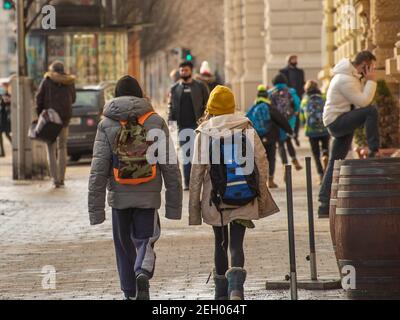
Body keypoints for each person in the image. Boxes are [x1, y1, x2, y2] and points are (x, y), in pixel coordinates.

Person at [88, 75, 183, 300]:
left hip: (119, 198)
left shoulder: (106, 124)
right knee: (145, 239)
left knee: (123, 247)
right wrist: (174, 206)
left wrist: (96, 210)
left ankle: (130, 293)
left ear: (115, 95)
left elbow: (98, 169)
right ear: (141, 94)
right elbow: (170, 165)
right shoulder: (154, 121)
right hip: (148, 196)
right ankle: (142, 270)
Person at [189, 85, 280, 300]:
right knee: (236, 243)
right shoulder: (246, 126)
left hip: (216, 200)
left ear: (210, 109)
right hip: (244, 196)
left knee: (220, 242)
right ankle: (236, 289)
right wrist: (261, 195)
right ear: (232, 106)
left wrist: (194, 208)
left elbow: (196, 173)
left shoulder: (204, 131)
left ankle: (220, 294)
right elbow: (261, 161)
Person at [318, 51, 379, 218]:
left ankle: (323, 204)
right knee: (371, 111)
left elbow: (359, 106)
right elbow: (364, 103)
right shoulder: (345, 79)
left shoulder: (350, 77)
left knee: (335, 161)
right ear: (364, 65)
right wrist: (371, 81)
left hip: (340, 120)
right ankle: (374, 150)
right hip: (337, 122)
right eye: (371, 67)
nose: (373, 70)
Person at [168, 60, 210, 190]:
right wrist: (171, 122)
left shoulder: (200, 86)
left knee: (198, 156)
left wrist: (206, 120)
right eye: (181, 70)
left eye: (186, 70)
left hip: (198, 126)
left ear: (191, 71)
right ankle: (188, 182)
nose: (183, 72)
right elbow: (171, 106)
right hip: (182, 128)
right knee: (186, 156)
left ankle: (200, 182)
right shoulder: (175, 88)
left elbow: (207, 104)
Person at [35, 61, 76, 188]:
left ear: (52, 69)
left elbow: (39, 98)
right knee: (62, 148)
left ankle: (55, 179)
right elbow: (73, 99)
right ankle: (62, 178)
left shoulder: (47, 80)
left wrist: (40, 113)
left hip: (50, 120)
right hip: (64, 120)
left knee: (50, 147)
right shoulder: (69, 81)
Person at [247, 85, 293, 189]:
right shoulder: (269, 107)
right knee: (271, 158)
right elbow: (281, 119)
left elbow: (246, 120)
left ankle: (260, 180)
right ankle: (270, 180)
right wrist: (289, 131)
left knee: (258, 158)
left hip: (257, 138)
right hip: (271, 137)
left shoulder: (253, 108)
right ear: (266, 96)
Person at [269, 73, 303, 174]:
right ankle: (294, 159)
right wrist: (295, 114)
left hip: (277, 122)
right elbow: (297, 105)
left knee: (280, 144)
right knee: (288, 140)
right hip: (289, 121)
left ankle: (285, 165)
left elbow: (268, 107)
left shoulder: (270, 93)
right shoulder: (291, 91)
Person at [300, 80, 330, 184]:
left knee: (315, 154)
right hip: (324, 128)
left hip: (311, 131)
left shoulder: (305, 100)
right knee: (325, 147)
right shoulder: (324, 97)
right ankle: (325, 154)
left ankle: (321, 175)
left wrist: (304, 124)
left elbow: (302, 117)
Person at [280, 54, 306, 142]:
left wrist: (302, 93)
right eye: (293, 59)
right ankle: (288, 132)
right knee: (287, 115)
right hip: (287, 98)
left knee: (297, 115)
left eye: (296, 59)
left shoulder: (300, 71)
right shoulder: (283, 71)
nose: (295, 61)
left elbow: (302, 83)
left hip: (297, 97)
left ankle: (295, 134)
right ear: (289, 60)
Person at [0, 90, 12, 157]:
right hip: (2, 121)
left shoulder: (4, 101)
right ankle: (2, 152)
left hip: (5, 122)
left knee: (7, 135)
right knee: (4, 136)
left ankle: (15, 148)